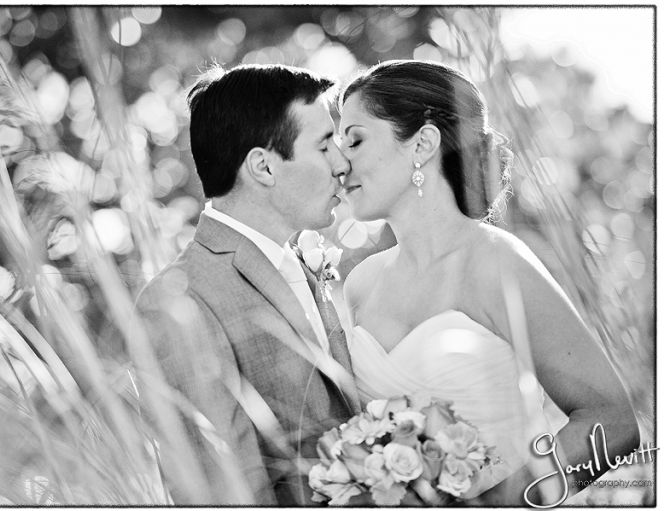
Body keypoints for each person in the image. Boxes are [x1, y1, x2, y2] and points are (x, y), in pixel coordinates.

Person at [337, 60, 639, 505]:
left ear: (422, 143)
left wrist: (497, 503)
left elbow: (611, 420)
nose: (340, 161)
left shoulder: (499, 263)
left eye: (355, 140)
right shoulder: (361, 282)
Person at [134, 64, 360, 505]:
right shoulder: (178, 299)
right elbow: (225, 489)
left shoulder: (305, 261)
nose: (342, 163)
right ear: (264, 167)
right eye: (324, 145)